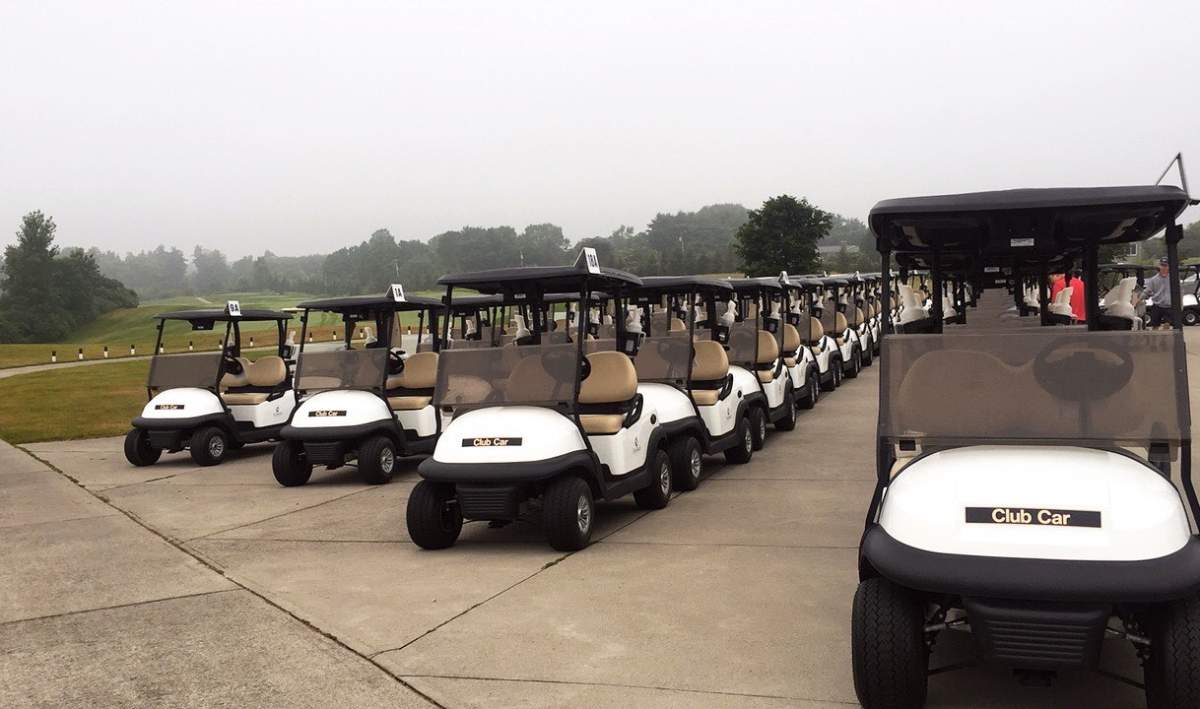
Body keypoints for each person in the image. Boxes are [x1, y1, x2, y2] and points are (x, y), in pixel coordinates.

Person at [1145, 257, 1175, 328]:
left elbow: (1179, 292)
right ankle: (1156, 338)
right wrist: (1138, 299)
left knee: (1167, 325)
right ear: (1159, 266)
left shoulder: (1173, 278)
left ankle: (1164, 338)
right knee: (1155, 326)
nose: (1164, 268)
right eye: (1162, 265)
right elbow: (1147, 292)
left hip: (1169, 306)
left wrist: (1180, 305)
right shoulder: (1153, 280)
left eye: (1165, 265)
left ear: (1169, 267)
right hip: (1157, 306)